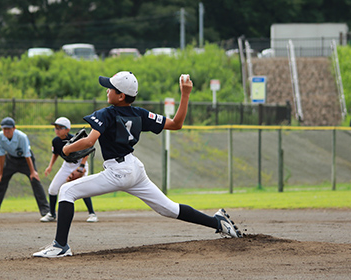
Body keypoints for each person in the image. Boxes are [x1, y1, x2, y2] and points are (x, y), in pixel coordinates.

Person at [33, 71, 242, 258]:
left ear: (121, 95)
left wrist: (66, 149)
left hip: (118, 171)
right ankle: (218, 223)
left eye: (111, 88)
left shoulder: (106, 113)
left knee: (67, 190)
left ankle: (60, 246)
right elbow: (176, 124)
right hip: (134, 168)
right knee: (169, 208)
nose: (107, 90)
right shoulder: (140, 113)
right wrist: (185, 94)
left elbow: (89, 141)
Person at [0, 117, 50, 218]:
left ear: (14, 129)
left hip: (25, 160)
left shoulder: (21, 137)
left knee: (35, 180)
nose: (6, 131)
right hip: (10, 160)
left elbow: (27, 155)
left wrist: (32, 172)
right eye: (4, 129)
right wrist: (0, 172)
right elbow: (1, 155)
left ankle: (46, 210)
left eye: (9, 129)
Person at [41, 117, 98, 223]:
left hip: (80, 164)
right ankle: (52, 214)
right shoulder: (56, 141)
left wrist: (81, 167)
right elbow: (55, 154)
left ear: (67, 129)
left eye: (60, 128)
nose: (57, 130)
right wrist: (50, 166)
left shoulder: (75, 138)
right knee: (53, 188)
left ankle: (92, 214)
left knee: (83, 189)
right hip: (67, 166)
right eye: (56, 127)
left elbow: (86, 152)